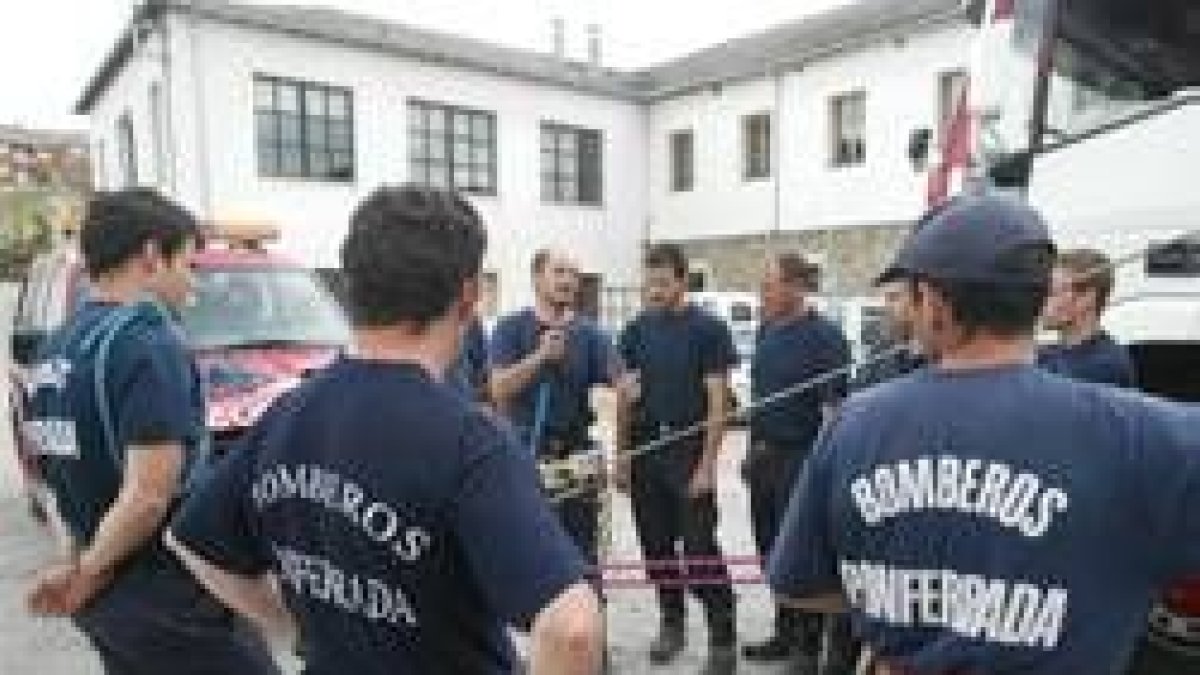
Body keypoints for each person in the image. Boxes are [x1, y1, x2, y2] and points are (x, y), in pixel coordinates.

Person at [166, 186, 603, 675]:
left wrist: (306, 631)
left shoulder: (287, 414)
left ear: (352, 287)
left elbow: (194, 544)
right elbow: (572, 629)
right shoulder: (469, 442)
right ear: (468, 294)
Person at [767, 193, 1200, 674]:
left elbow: (797, 583)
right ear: (1037, 299)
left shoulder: (853, 425)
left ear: (933, 302)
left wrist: (910, 600)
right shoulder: (1145, 435)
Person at [23, 189, 279, 674]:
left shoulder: (55, 349)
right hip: (171, 598)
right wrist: (84, 574)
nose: (193, 285)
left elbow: (63, 478)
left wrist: (80, 567)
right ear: (150, 256)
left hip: (109, 604)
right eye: (188, 264)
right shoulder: (146, 341)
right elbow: (146, 497)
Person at [614, 243, 738, 675]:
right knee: (656, 548)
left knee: (701, 548)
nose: (653, 291)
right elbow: (624, 398)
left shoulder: (709, 330)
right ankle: (672, 622)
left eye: (663, 283)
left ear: (684, 281)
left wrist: (707, 466)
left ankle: (723, 636)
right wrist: (623, 455)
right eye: (648, 283)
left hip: (689, 452)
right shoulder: (634, 331)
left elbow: (718, 402)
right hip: (647, 452)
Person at [742, 253, 850, 670]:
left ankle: (808, 644)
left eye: (768, 286)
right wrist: (751, 450)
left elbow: (834, 412)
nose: (761, 294)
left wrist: (823, 474)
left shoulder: (825, 337)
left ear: (795, 287)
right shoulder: (767, 329)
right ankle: (783, 632)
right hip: (764, 456)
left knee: (801, 552)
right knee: (770, 551)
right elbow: (760, 399)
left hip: (800, 460)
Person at [489, 249, 622, 574]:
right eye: (559, 272)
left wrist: (628, 384)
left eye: (574, 274)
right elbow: (499, 388)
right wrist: (540, 357)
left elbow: (620, 379)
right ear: (537, 278)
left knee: (582, 560)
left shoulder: (591, 335)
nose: (568, 281)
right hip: (525, 458)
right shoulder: (510, 328)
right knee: (528, 558)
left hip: (576, 461)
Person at [1039, 248, 1135, 387]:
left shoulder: (1102, 366)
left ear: (1086, 299)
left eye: (1052, 292)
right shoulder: (1051, 353)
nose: (1041, 300)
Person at [852, 279, 927, 391]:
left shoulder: (940, 357)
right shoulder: (878, 356)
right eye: (885, 299)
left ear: (920, 302)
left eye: (894, 298)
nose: (887, 307)